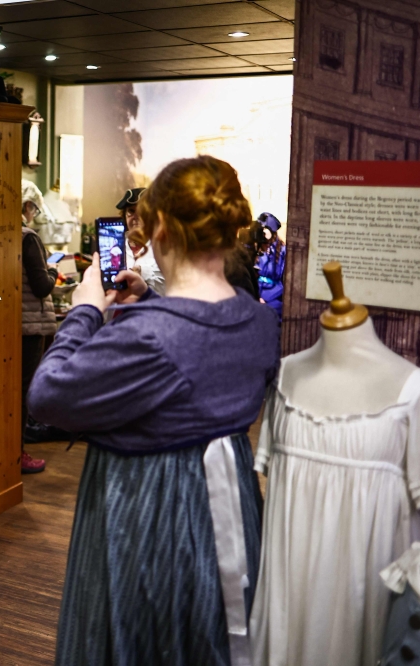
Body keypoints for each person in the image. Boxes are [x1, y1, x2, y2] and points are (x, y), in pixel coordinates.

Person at [28, 156, 279, 665]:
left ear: (160, 226)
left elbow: (49, 394)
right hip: (230, 501)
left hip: (149, 511)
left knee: (139, 640)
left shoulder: (154, 336)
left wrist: (84, 309)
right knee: (212, 634)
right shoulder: (257, 323)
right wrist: (143, 304)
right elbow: (189, 362)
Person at [20, 196, 58, 474]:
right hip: (31, 325)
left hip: (16, 322)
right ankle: (17, 451)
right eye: (32, 207)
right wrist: (54, 271)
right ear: (25, 207)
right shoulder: (28, 237)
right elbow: (43, 286)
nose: (33, 212)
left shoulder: (7, 234)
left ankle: (12, 450)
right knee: (23, 391)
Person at [118, 187, 165, 296]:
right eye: (131, 211)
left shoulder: (163, 246)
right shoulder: (114, 245)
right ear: (124, 215)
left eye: (142, 211)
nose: (136, 216)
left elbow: (168, 287)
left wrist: (143, 273)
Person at [255, 212, 286, 320]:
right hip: (255, 295)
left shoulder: (281, 250)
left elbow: (284, 280)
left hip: (274, 298)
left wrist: (265, 299)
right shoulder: (255, 249)